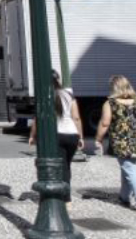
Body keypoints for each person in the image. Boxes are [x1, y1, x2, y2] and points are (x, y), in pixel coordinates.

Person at [95, 75, 136, 212]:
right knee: (128, 167)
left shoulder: (110, 103)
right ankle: (124, 196)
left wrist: (98, 139)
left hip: (121, 141)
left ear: (114, 87)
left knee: (130, 169)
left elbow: (105, 123)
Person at [29, 71, 82, 204]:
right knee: (67, 166)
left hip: (56, 135)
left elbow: (38, 118)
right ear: (58, 80)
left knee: (59, 167)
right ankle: (65, 196)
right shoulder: (69, 95)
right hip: (72, 134)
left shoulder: (45, 96)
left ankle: (64, 198)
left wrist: (32, 135)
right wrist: (80, 136)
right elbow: (76, 117)